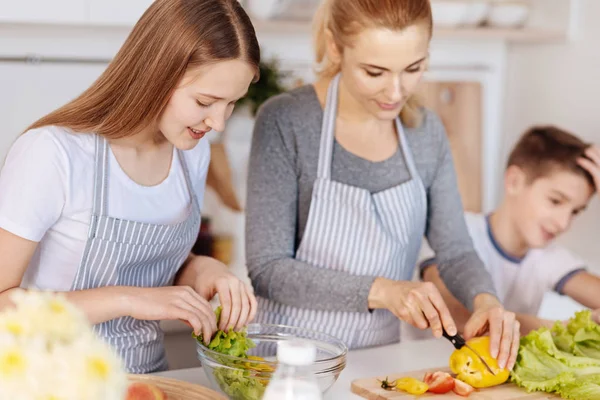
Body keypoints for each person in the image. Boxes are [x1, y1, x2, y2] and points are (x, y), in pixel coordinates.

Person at [245, 0, 520, 371]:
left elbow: (455, 252)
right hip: (287, 368)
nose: (395, 91)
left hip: (379, 365)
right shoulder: (286, 121)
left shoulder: (425, 132)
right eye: (375, 72)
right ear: (335, 47)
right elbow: (269, 270)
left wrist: (486, 300)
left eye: (413, 69)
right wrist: (385, 291)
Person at [0, 0, 259, 374]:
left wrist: (202, 271)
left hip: (149, 382)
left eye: (231, 103)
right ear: (157, 73)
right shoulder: (54, 154)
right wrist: (126, 300)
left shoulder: (191, 153)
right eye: (206, 101)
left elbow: (153, 266)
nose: (217, 122)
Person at [419, 126, 600, 335]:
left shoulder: (550, 257)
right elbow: (454, 314)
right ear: (514, 181)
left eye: (575, 211)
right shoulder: (456, 231)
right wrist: (569, 329)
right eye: (555, 201)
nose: (563, 223)